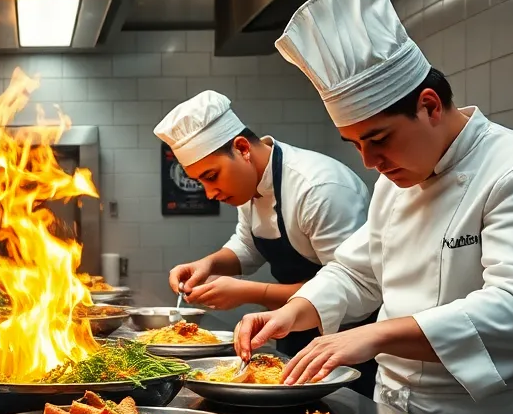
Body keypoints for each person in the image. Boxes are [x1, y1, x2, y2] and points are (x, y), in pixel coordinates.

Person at [234, 0, 513, 414]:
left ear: (430, 106)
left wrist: (376, 336)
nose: (369, 162)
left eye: (379, 139)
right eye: (355, 145)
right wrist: (295, 311)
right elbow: (358, 272)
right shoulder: (394, 182)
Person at [155, 91, 370, 364]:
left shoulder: (318, 189)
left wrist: (248, 292)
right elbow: (247, 244)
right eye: (201, 182)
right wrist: (208, 264)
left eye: (211, 177)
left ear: (242, 148)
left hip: (345, 344)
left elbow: (351, 288)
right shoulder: (250, 186)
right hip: (294, 332)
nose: (209, 193)